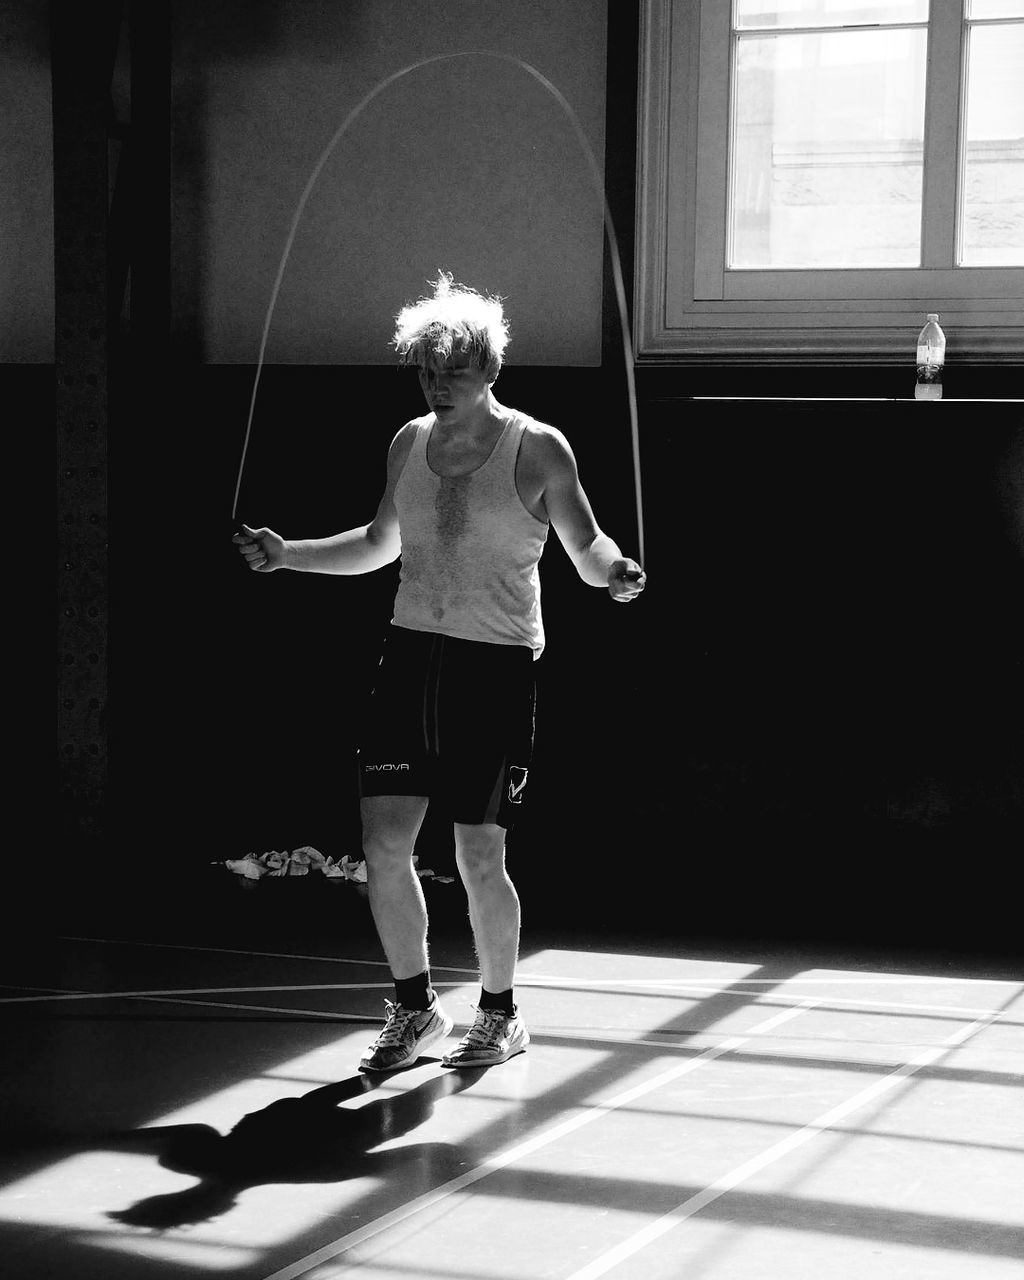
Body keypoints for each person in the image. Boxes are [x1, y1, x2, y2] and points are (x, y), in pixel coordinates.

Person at [234, 272, 645, 1073]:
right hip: (412, 659)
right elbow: (377, 542)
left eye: (452, 371)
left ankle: (498, 1014)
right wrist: (290, 556)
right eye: (426, 371)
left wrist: (617, 570)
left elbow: (587, 550)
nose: (437, 385)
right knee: (383, 845)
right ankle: (417, 1011)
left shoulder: (539, 447)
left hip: (495, 668)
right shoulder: (408, 442)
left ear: (490, 370)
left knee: (478, 853)